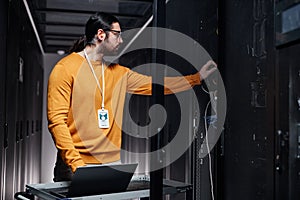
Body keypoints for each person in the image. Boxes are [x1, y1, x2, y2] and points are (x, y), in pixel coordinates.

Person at [47, 12, 217, 182]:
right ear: (100, 34)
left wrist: (196, 78)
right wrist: (76, 164)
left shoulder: (119, 73)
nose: (121, 40)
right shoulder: (65, 69)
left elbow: (157, 85)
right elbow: (56, 121)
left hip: (111, 164)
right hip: (75, 166)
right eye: (117, 34)